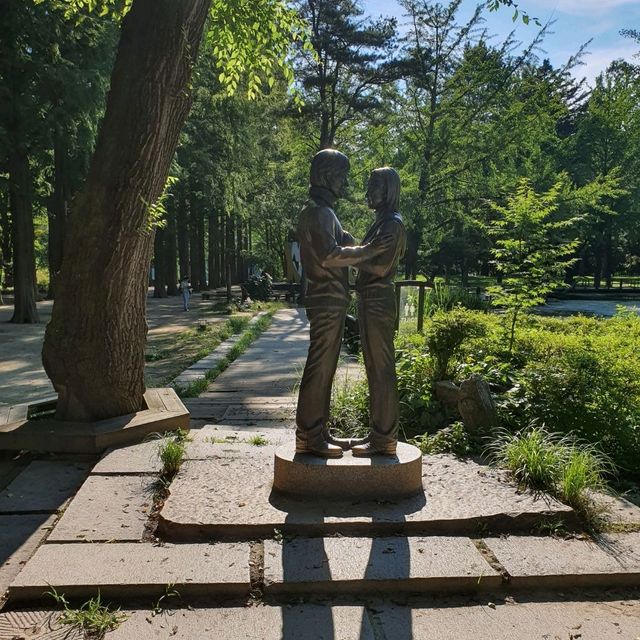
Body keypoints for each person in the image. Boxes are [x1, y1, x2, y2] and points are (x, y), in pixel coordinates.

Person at [295, 149, 392, 458]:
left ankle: (317, 431)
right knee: (320, 368)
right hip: (325, 300)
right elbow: (329, 255)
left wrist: (358, 247)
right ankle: (309, 434)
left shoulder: (324, 212)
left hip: (331, 300)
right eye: (341, 175)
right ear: (326, 175)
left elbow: (340, 247)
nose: (345, 182)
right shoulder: (319, 213)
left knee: (325, 367)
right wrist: (368, 250)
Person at [351, 167, 407, 456]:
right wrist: (360, 251)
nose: (367, 193)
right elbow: (368, 255)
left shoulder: (392, 225)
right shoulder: (381, 223)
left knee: (382, 369)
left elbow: (380, 266)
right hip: (368, 299)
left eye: (373, 186)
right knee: (373, 368)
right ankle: (378, 434)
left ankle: (385, 439)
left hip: (378, 300)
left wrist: (348, 256)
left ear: (388, 190)